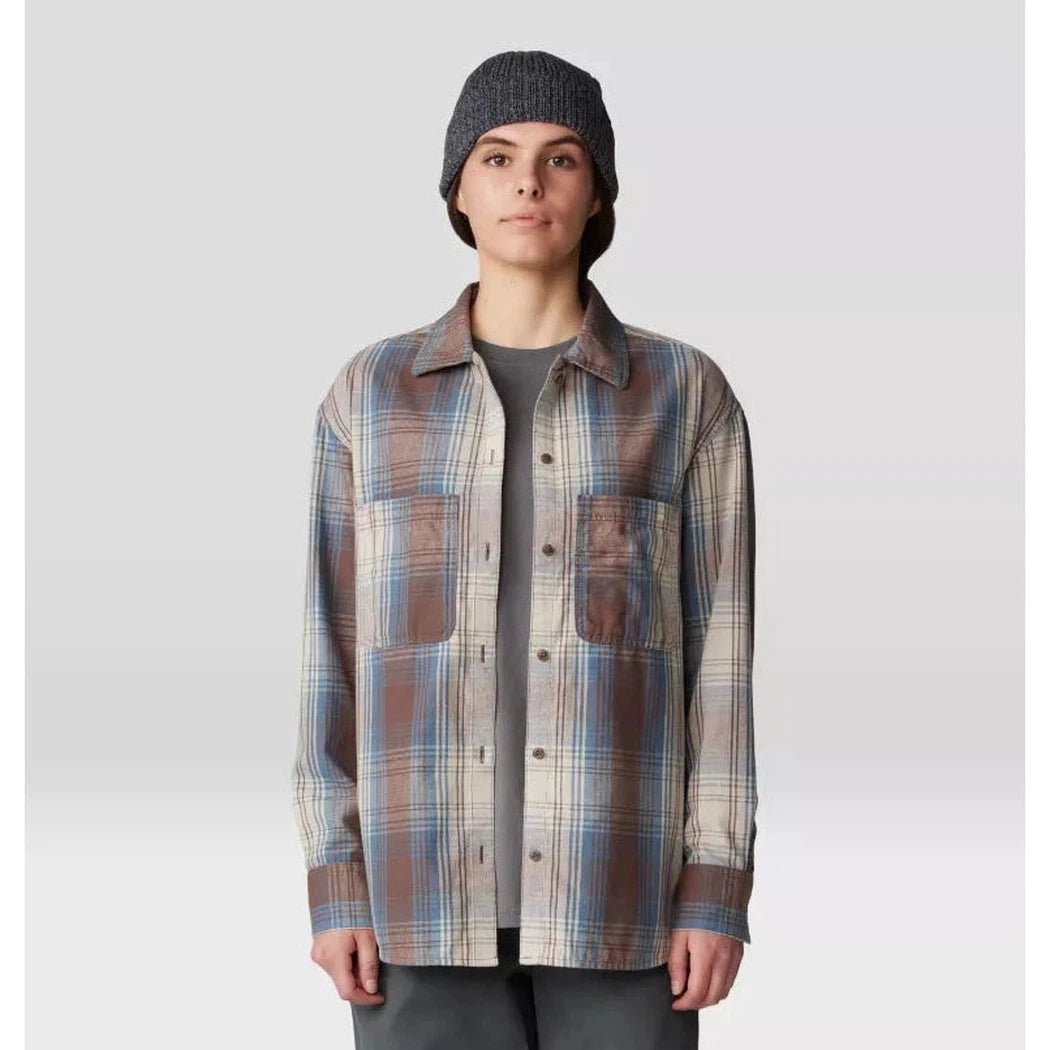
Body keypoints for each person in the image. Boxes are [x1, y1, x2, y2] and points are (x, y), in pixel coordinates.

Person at [292, 49, 758, 1050]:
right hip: (416, 903)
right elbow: (330, 654)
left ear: (599, 194)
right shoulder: (367, 398)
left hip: (622, 900)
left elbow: (721, 663)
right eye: (497, 158)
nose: (528, 184)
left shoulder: (685, 396)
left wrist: (717, 885)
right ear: (458, 191)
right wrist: (335, 879)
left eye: (562, 159)